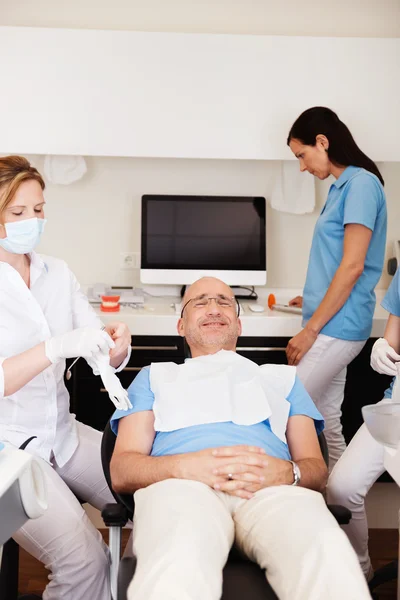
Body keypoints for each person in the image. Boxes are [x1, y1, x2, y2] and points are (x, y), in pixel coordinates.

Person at [110, 276, 370, 600]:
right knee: (176, 563)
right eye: (200, 302)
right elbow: (122, 470)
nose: (214, 308)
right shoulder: (154, 376)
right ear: (180, 325)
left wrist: (288, 473)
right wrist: (185, 468)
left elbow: (316, 470)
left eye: (224, 302)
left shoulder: (283, 379)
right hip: (182, 489)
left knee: (327, 553)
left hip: (273, 492)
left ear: (239, 324)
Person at [0, 156, 132, 600]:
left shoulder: (57, 273)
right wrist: (53, 348)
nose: (32, 221)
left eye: (38, 210)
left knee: (153, 500)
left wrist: (115, 347)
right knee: (84, 562)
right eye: (18, 213)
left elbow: (95, 346)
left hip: (62, 434)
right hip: (8, 452)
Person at [286, 106, 387, 469]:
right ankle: (344, 512)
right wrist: (311, 296)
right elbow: (336, 262)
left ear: (322, 141)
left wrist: (310, 331)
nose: (302, 167)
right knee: (328, 425)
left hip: (336, 328)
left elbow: (353, 265)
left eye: (302, 155)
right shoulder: (342, 186)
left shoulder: (361, 185)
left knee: (284, 411)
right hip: (331, 318)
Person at [327, 265, 400, 580]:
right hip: (395, 406)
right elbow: (392, 341)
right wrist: (382, 349)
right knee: (342, 487)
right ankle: (361, 572)